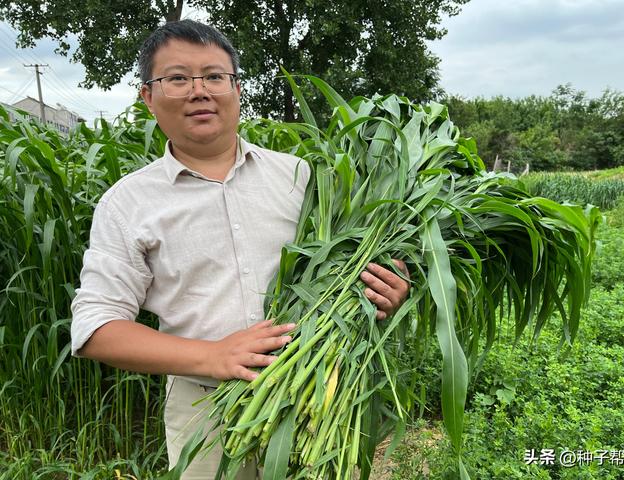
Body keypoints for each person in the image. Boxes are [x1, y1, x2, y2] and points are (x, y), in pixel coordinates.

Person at [70, 19, 410, 480]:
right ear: (148, 96)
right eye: (177, 78)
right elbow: (96, 328)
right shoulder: (127, 204)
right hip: (204, 406)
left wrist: (384, 291)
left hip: (323, 395)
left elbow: (350, 270)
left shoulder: (304, 179)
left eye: (214, 76)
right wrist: (212, 356)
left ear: (237, 89)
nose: (199, 91)